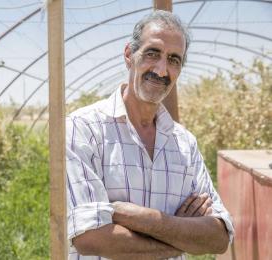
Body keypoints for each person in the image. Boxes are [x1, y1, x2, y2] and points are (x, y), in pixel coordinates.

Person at [66, 10, 234, 260]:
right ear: (128, 55)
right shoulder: (84, 128)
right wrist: (181, 235)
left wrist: (135, 216)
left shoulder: (184, 143)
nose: (161, 69)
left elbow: (219, 237)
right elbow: (89, 237)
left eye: (174, 60)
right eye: (152, 53)